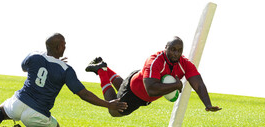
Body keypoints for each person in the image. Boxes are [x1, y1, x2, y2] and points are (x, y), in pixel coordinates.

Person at [0, 33, 127, 127]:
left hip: (18, 102)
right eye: (64, 44)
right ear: (58, 47)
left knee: (0, 110)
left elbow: (25, 67)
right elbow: (83, 94)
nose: (65, 46)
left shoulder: (33, 55)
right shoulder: (66, 70)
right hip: (36, 113)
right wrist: (108, 104)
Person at [85, 36, 221, 117]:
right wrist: (176, 85)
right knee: (113, 110)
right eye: (173, 49)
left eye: (179, 51)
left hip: (142, 91)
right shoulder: (155, 61)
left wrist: (207, 104)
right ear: (166, 48)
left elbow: (198, 84)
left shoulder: (184, 63)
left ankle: (104, 67)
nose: (176, 53)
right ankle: (102, 71)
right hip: (134, 91)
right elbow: (151, 89)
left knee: (122, 86)